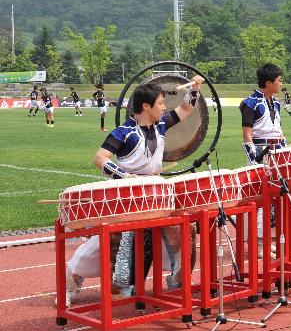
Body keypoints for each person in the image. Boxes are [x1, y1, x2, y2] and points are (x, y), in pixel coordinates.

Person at [64, 76, 205, 305]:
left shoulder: (161, 125)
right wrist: (124, 176)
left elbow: (185, 108)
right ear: (146, 106)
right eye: (160, 103)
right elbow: (99, 159)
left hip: (154, 194)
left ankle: (177, 284)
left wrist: (195, 87)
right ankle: (73, 278)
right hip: (128, 196)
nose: (164, 107)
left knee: (182, 229)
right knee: (111, 242)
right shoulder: (123, 132)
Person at [240, 63, 286, 257]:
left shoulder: (275, 102)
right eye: (279, 80)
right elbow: (247, 133)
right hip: (261, 152)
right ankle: (259, 245)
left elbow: (277, 129)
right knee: (262, 198)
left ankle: (269, 239)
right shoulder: (250, 103)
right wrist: (254, 161)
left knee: (276, 198)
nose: (281, 83)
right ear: (268, 82)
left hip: (278, 151)